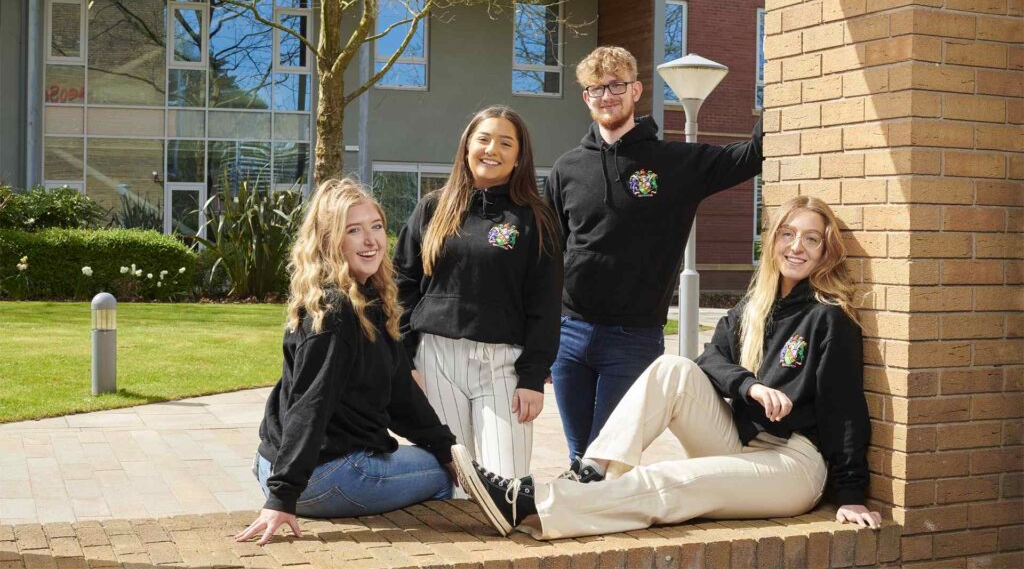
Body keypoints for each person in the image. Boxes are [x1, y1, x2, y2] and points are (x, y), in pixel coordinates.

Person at [452, 196, 881, 540]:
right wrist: (748, 386)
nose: (796, 247)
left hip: (793, 465)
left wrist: (851, 494)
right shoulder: (756, 307)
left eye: (811, 239)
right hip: (741, 442)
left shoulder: (829, 318)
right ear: (771, 242)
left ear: (826, 252)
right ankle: (591, 471)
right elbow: (709, 359)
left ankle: (532, 504)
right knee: (672, 368)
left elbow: (845, 409)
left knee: (673, 479)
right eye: (787, 234)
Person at [546, 46, 764, 463]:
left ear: (636, 91)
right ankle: (588, 524)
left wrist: (785, 91)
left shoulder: (674, 163)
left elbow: (751, 155)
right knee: (579, 454)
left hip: (631, 338)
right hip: (569, 333)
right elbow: (551, 251)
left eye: (616, 85)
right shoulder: (566, 168)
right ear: (586, 98)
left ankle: (591, 516)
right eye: (596, 88)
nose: (607, 95)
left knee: (605, 458)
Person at [237, 179, 457, 546]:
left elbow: (402, 394)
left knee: (444, 461)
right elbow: (311, 405)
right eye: (354, 230)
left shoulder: (368, 299)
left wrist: (444, 445)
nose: (371, 241)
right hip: (320, 475)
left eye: (376, 227)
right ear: (329, 241)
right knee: (441, 477)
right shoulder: (337, 311)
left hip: (282, 465)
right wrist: (282, 497)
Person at [393, 106, 562, 481]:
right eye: (484, 139)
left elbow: (546, 303)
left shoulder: (536, 217)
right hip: (436, 359)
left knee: (506, 485)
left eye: (506, 142)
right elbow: (401, 285)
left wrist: (533, 377)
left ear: (519, 157)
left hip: (502, 365)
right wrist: (407, 361)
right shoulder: (433, 208)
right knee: (453, 480)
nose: (492, 149)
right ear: (467, 146)